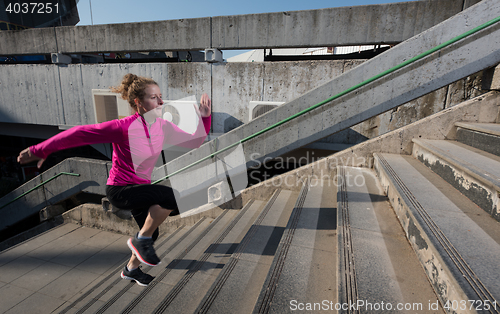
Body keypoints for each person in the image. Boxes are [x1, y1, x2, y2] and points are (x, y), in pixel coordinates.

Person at [17, 73, 211, 286]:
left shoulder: (162, 127)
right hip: (120, 190)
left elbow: (194, 142)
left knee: (152, 233)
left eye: (160, 96)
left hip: (140, 190)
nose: (161, 102)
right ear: (138, 102)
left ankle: (131, 270)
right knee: (171, 198)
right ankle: (141, 240)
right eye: (153, 97)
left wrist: (204, 117)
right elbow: (79, 133)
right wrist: (40, 149)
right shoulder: (124, 127)